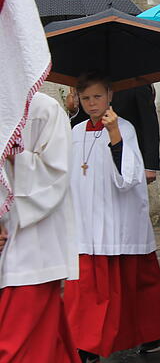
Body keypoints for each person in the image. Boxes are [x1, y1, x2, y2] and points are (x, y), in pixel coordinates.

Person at [64, 73, 160, 362]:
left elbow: (129, 178)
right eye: (86, 98)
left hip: (118, 219)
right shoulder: (74, 132)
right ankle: (85, 342)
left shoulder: (125, 128)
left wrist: (114, 135)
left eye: (98, 96)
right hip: (87, 221)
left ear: (110, 95)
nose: (92, 103)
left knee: (132, 285)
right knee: (86, 288)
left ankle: (149, 332)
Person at [0, 92, 79, 363]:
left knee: (14, 347)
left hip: (33, 248)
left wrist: (16, 158)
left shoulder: (44, 109)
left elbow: (56, 174)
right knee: (47, 345)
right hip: (8, 244)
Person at [66, 85, 160, 185]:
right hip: (97, 154)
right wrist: (74, 111)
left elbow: (148, 122)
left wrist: (150, 165)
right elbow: (84, 122)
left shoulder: (136, 82)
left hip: (128, 153)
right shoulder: (91, 81)